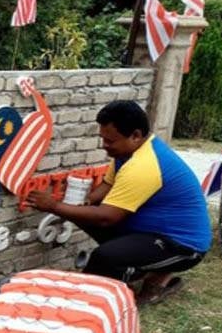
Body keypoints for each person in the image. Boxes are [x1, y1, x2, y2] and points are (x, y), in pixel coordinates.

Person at [27, 101, 212, 305]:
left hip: (183, 245)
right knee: (83, 214)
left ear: (135, 135)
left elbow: (108, 218)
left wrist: (54, 206)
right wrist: (84, 202)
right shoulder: (128, 153)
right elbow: (107, 185)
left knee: (104, 258)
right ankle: (133, 272)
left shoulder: (144, 166)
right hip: (149, 231)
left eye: (110, 141)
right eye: (103, 139)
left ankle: (118, 290)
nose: (105, 145)